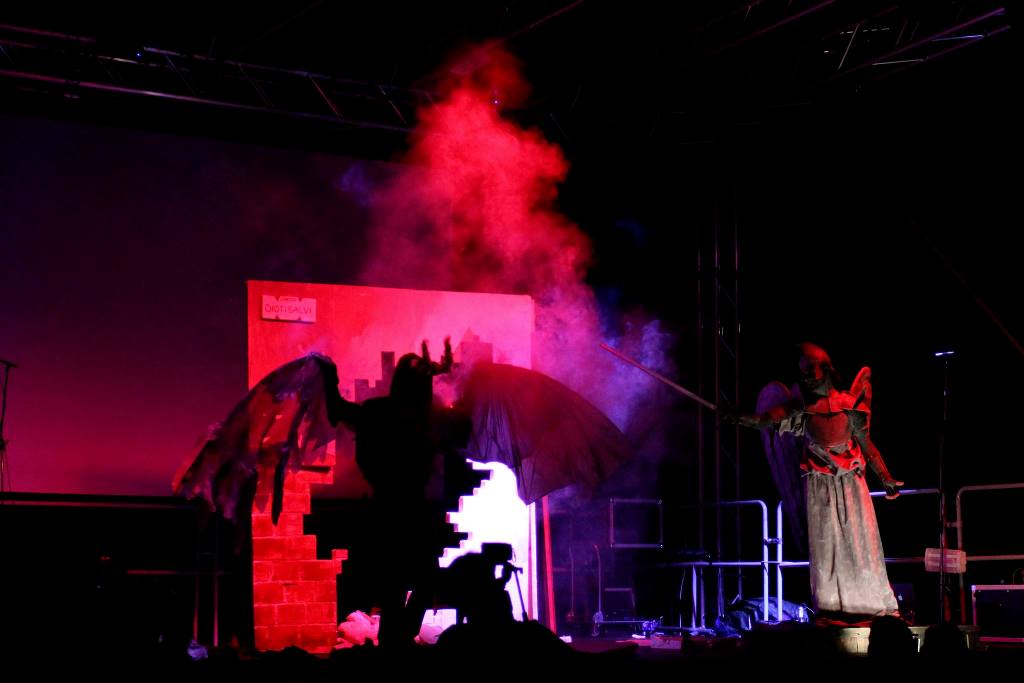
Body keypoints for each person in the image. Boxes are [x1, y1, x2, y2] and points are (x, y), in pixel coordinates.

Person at [733, 343, 903, 624]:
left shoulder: (848, 404)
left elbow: (867, 445)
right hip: (819, 488)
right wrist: (740, 418)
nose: (807, 376)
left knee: (860, 542)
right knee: (827, 549)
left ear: (826, 368)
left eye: (811, 368)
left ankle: (870, 603)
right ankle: (832, 606)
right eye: (802, 371)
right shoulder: (801, 409)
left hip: (851, 484)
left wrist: (885, 477)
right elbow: (765, 420)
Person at [320, 338, 472, 648]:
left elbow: (339, 410)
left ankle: (396, 640)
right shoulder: (427, 417)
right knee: (414, 582)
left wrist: (328, 377)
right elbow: (463, 429)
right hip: (410, 512)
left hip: (392, 511)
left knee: (402, 584)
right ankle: (397, 640)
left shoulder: (387, 413)